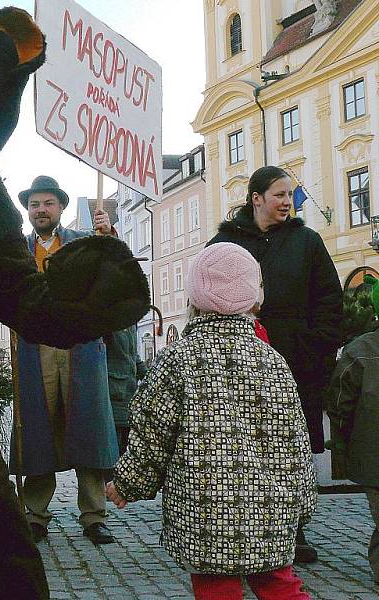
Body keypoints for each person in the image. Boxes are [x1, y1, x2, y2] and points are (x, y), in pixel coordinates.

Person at [106, 242, 316, 600]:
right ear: (255, 298)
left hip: (205, 514)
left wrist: (127, 484)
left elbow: (152, 435)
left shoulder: (177, 359)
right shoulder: (273, 361)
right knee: (280, 585)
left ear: (194, 296)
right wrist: (303, 502)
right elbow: (296, 442)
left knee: (217, 589)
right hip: (270, 510)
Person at [208, 165, 343, 563]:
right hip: (238, 361)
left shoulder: (307, 242)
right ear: (256, 199)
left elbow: (329, 300)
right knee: (243, 447)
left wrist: (319, 348)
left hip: (296, 362)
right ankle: (242, 529)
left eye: (290, 195)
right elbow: (206, 297)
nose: (287, 202)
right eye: (279, 195)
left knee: (291, 449)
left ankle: (293, 529)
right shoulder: (224, 243)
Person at [10, 175, 119, 545]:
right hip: (35, 348)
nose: (41, 210)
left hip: (80, 347)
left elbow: (113, 279)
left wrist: (110, 239)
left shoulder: (86, 245)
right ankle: (35, 514)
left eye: (48, 204)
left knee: (86, 427)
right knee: (38, 431)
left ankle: (93, 515)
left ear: (61, 208)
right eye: (35, 205)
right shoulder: (18, 250)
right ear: (28, 211)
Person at [326, 273, 379, 586]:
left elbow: (340, 402)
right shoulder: (359, 351)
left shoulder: (359, 350)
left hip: (372, 457)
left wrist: (343, 440)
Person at [103, 324, 146, 452]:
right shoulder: (108, 319)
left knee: (127, 449)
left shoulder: (130, 322)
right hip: (113, 393)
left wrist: (151, 376)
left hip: (129, 393)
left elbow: (133, 356)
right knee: (113, 449)